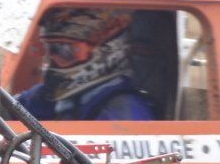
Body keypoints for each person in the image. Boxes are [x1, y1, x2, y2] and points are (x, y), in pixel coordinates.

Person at [17, 9, 163, 123]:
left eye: (66, 50)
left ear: (109, 50)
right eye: (51, 48)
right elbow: (8, 109)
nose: (54, 57)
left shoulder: (125, 109)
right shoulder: (46, 95)